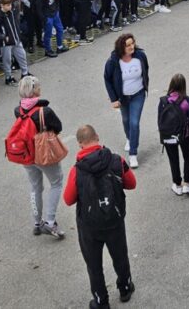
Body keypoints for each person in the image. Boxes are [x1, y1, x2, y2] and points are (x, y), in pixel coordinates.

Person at [63, 125, 137, 308]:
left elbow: (68, 199)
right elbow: (131, 184)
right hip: (114, 219)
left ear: (80, 144)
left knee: (94, 264)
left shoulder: (77, 170)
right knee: (120, 256)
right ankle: (125, 287)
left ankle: (100, 299)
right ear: (97, 137)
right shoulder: (116, 160)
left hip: (89, 226)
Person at [14, 75, 66, 239]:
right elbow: (58, 127)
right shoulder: (45, 110)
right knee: (56, 183)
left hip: (26, 155)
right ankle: (50, 221)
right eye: (38, 86)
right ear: (34, 90)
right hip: (43, 154)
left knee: (35, 186)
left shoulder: (18, 109)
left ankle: (37, 222)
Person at [103, 33, 149, 169]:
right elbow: (107, 78)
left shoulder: (140, 56)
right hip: (123, 98)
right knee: (126, 120)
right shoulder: (113, 61)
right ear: (121, 47)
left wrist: (145, 85)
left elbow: (146, 70)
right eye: (128, 45)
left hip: (138, 94)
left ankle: (133, 154)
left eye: (132, 43)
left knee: (134, 123)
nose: (131, 47)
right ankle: (130, 138)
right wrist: (113, 99)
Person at [159, 73, 189, 196]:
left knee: (173, 158)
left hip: (168, 135)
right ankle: (187, 183)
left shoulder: (164, 101)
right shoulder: (187, 100)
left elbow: (159, 119)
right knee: (188, 156)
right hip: (184, 135)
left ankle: (177, 184)